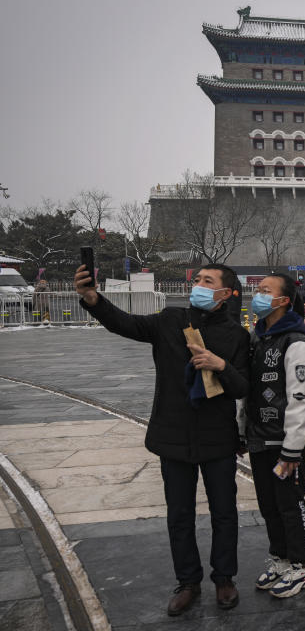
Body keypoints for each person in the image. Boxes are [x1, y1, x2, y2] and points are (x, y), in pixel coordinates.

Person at [74, 263, 249, 615]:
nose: (198, 285)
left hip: (217, 438)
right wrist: (93, 300)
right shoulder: (171, 320)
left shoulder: (237, 335)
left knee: (225, 513)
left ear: (226, 293)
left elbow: (243, 387)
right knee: (179, 514)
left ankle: (224, 577)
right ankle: (187, 582)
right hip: (173, 436)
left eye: (207, 281)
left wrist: (220, 365)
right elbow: (128, 324)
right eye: (197, 279)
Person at [243, 273, 305, 598]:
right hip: (260, 438)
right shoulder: (258, 339)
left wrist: (292, 450)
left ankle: (301, 567)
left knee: (290, 503)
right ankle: (281, 558)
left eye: (264, 291)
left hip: (285, 443)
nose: (257, 295)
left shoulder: (296, 343)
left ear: (284, 300)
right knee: (268, 505)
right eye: (257, 290)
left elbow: (302, 399)